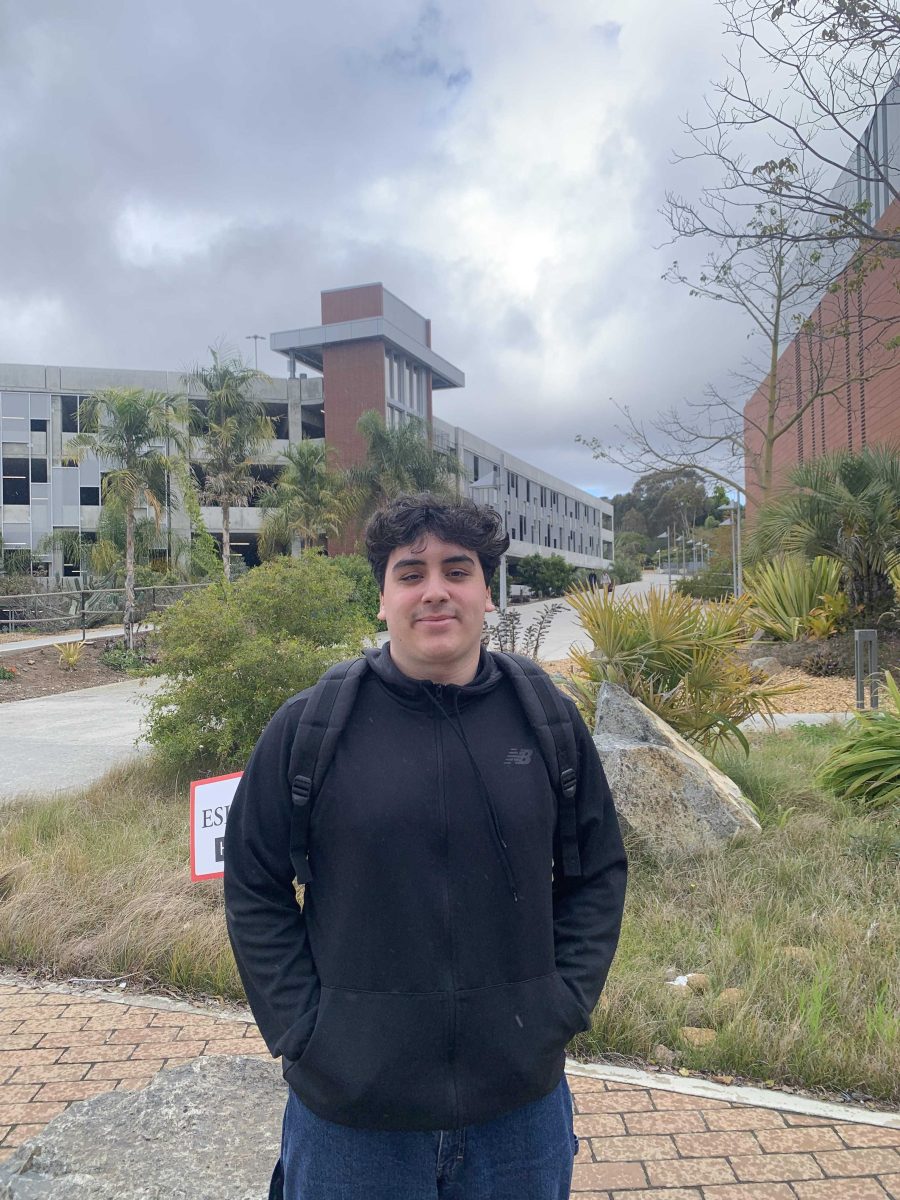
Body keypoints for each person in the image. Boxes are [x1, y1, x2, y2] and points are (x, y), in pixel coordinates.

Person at [224, 493, 627, 1200]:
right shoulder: (310, 729)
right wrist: (304, 1030)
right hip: (351, 1121)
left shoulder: (546, 722)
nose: (434, 590)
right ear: (382, 598)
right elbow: (253, 885)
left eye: (457, 569)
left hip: (519, 1115)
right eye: (410, 573)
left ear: (488, 594)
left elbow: (598, 872)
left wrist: (560, 1005)